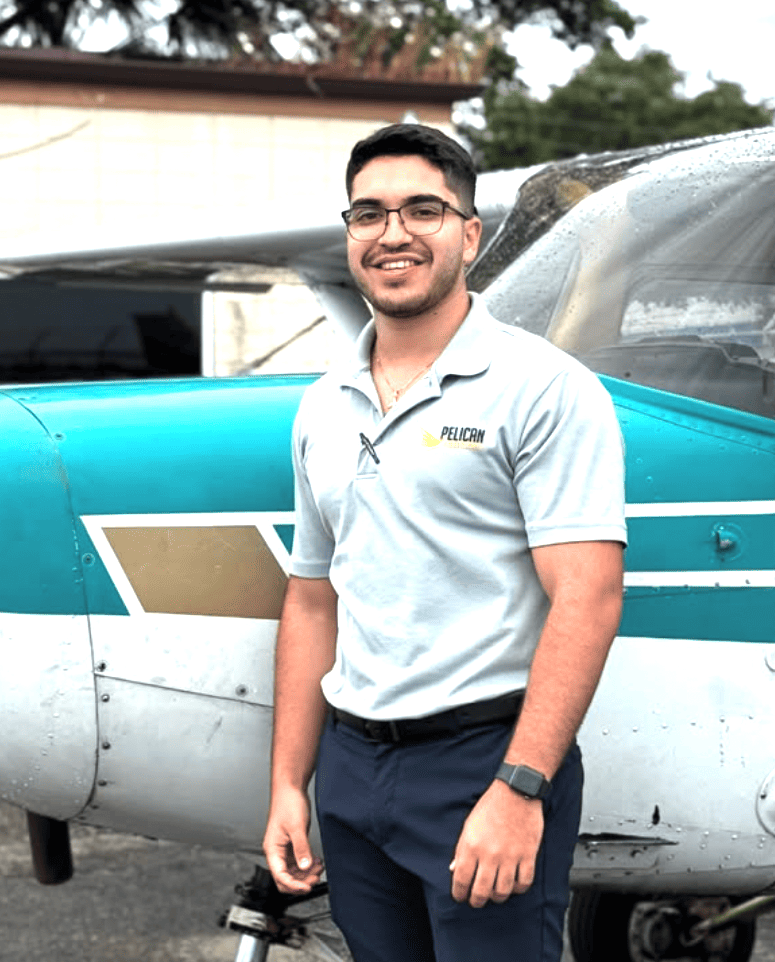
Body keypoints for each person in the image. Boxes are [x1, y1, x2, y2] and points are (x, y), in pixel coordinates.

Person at [262, 123, 627, 962]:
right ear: (350, 235)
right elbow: (313, 596)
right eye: (369, 214)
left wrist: (520, 787)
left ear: (470, 232)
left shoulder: (547, 390)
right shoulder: (323, 406)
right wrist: (290, 783)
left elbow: (588, 595)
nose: (393, 233)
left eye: (422, 210)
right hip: (352, 768)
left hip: (482, 764)